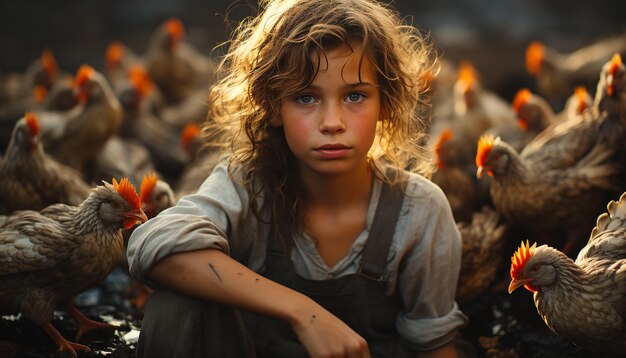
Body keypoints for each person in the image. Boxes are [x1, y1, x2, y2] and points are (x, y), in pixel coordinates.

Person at [126, 0, 468, 357]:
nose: (332, 122)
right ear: (274, 107)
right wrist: (303, 312)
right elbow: (152, 243)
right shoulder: (248, 186)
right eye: (306, 97)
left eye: (355, 96)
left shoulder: (419, 211)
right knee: (176, 301)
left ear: (384, 102)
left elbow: (435, 347)